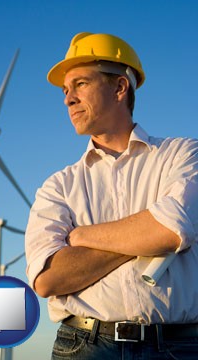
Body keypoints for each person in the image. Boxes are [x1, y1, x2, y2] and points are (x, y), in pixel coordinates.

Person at [25, 32, 198, 359]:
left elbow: (171, 228)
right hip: (84, 345)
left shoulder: (184, 154)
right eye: (65, 90)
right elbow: (48, 279)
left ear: (120, 88)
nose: (68, 99)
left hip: (179, 346)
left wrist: (81, 237)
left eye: (80, 84)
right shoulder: (58, 185)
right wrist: (143, 236)